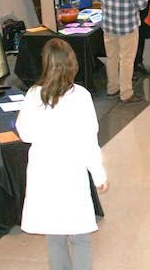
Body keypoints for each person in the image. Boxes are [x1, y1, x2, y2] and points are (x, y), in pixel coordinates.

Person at [16, 39, 108, 270]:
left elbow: (25, 133)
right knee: (80, 238)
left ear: (45, 64)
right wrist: (99, 176)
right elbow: (89, 142)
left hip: (43, 174)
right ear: (71, 64)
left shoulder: (33, 95)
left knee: (54, 236)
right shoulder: (81, 96)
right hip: (71, 176)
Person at [94, 0, 149, 104]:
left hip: (109, 25)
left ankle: (112, 88)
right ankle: (126, 93)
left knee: (112, 57)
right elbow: (142, 3)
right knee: (126, 59)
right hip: (128, 27)